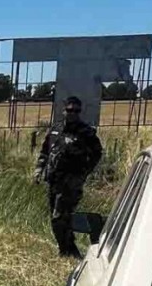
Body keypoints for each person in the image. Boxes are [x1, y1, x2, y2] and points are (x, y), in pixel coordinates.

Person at [34, 96, 103, 259]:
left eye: (76, 111)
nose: (73, 113)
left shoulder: (86, 132)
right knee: (57, 218)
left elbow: (97, 153)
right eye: (70, 110)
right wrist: (38, 170)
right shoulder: (56, 129)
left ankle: (67, 250)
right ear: (64, 110)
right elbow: (45, 151)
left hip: (71, 183)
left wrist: (84, 172)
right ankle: (67, 249)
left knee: (59, 217)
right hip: (53, 180)